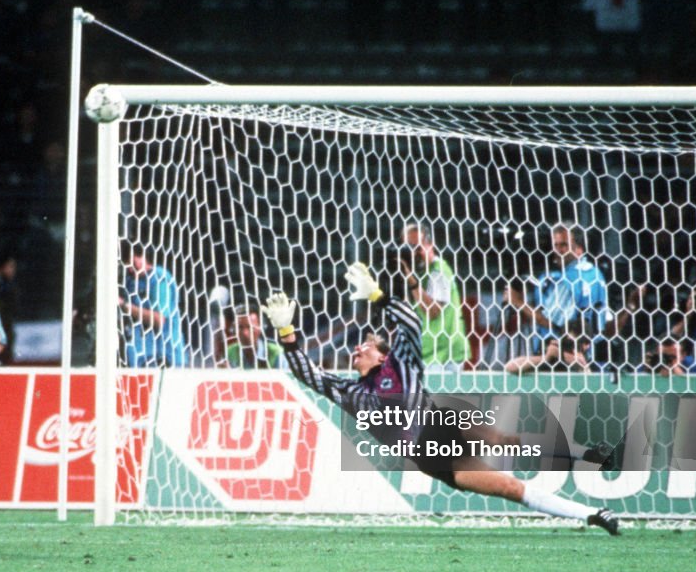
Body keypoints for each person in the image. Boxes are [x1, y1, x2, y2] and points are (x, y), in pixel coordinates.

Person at [261, 261, 620, 535]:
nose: (358, 347)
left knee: (505, 441)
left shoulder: (400, 363)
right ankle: (592, 515)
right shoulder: (350, 392)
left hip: (442, 423)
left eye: (366, 344)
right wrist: (287, 334)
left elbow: (412, 325)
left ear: (383, 355)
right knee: (510, 487)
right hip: (430, 457)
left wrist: (378, 296)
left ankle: (587, 454)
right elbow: (308, 374)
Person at [508, 225, 608, 354]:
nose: (558, 251)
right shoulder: (596, 274)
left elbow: (551, 323)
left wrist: (518, 301)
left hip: (563, 356)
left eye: (564, 245)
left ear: (579, 249)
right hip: (592, 355)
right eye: (556, 245)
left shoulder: (568, 279)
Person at [400, 223, 469, 373]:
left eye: (417, 247)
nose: (414, 253)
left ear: (429, 245)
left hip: (445, 354)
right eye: (408, 248)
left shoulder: (439, 271)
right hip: (430, 352)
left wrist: (410, 279)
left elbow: (433, 311)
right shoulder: (423, 272)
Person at [121, 244, 187, 367]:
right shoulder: (130, 281)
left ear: (142, 257)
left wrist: (124, 305)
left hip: (165, 357)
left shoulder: (160, 278)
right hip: (141, 357)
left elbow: (158, 319)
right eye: (126, 265)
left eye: (132, 262)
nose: (130, 269)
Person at [223, 305, 285, 369]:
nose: (245, 333)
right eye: (240, 327)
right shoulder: (230, 352)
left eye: (250, 327)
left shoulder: (276, 353)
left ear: (261, 328)